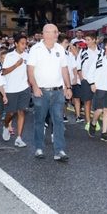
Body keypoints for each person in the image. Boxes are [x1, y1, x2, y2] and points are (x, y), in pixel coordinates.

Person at [27, 24, 72, 161]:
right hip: (41, 91)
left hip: (58, 91)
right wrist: (34, 87)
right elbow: (30, 70)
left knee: (58, 121)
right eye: (48, 32)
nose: (52, 35)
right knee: (39, 120)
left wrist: (68, 87)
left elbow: (64, 69)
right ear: (43, 34)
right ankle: (39, 148)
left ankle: (59, 151)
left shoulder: (60, 49)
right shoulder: (36, 49)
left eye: (54, 32)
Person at [87, 37, 107, 142]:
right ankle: (93, 123)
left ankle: (104, 132)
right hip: (100, 86)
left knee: (106, 110)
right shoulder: (99, 57)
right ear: (106, 46)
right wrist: (92, 83)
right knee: (99, 110)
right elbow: (90, 71)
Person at [1, 35, 30, 148]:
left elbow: (29, 70)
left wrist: (29, 83)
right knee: (11, 113)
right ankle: (6, 125)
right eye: (22, 43)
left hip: (24, 88)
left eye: (25, 43)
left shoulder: (28, 55)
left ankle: (19, 138)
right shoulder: (9, 56)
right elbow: (4, 71)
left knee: (21, 112)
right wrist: (16, 65)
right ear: (16, 44)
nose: (24, 45)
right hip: (11, 89)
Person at [77, 35, 100, 130]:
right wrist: (82, 79)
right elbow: (78, 66)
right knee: (87, 101)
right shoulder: (83, 52)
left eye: (88, 39)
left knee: (98, 103)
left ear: (94, 40)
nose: (86, 41)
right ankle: (88, 121)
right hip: (86, 80)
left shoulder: (101, 52)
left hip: (98, 80)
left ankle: (95, 120)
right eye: (86, 40)